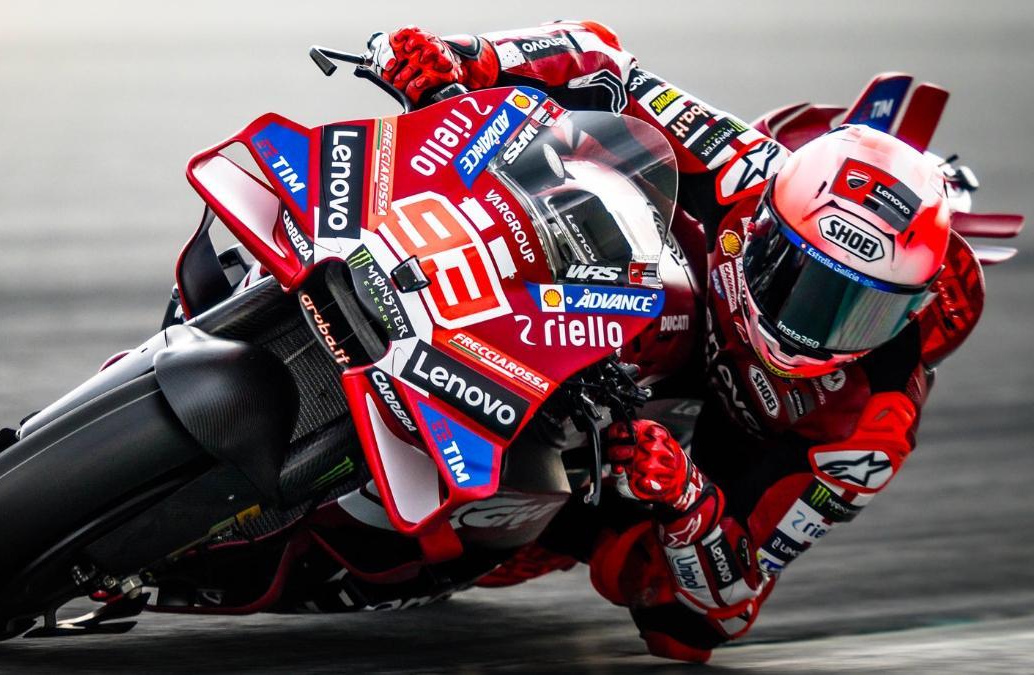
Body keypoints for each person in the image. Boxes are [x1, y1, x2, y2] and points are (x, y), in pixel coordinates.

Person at [369, 22, 979, 662]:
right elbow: (607, 64)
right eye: (809, 286)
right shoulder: (749, 170)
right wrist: (467, 58)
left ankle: (503, 502)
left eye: (867, 311)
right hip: (609, 287)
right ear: (768, 223)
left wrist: (687, 499)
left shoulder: (872, 425)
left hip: (652, 461)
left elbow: (730, 604)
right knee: (548, 156)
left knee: (677, 629)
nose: (822, 326)